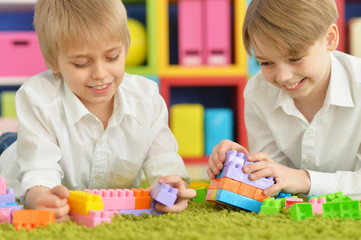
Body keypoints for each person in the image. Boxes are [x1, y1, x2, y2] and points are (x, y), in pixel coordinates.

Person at [0, 0, 195, 221]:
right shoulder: (37, 97)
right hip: (14, 153)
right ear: (54, 62)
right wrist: (42, 196)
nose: (100, 74)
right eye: (82, 63)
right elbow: (38, 172)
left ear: (126, 47)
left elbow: (163, 158)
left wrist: (172, 184)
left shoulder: (146, 98)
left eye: (112, 57)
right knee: (11, 144)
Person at [207, 0, 361, 200]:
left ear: (330, 38)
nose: (283, 77)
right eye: (266, 62)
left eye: (295, 58)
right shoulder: (258, 92)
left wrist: (305, 180)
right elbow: (273, 180)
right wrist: (241, 163)